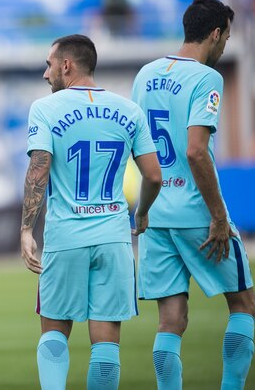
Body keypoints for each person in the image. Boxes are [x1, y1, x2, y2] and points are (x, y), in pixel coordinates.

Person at [20, 34, 162, 390]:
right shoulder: (129, 109)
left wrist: (26, 230)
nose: (45, 73)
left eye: (48, 64)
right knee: (106, 342)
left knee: (54, 333)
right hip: (113, 237)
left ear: (66, 65)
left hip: (65, 237)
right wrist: (141, 213)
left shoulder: (45, 108)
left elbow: (39, 168)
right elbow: (154, 176)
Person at [131, 0, 255, 390]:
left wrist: (145, 206)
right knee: (244, 305)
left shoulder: (144, 75)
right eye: (226, 38)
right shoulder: (207, 79)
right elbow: (195, 150)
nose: (223, 47)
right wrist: (219, 216)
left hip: (155, 216)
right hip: (197, 213)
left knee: (171, 321)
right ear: (216, 34)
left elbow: (138, 146)